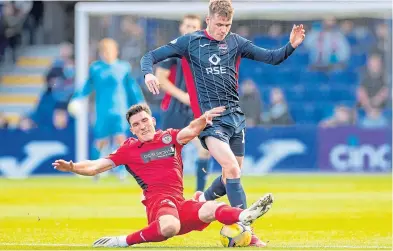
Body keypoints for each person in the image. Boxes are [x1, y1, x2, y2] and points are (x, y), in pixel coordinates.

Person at [140, 0, 305, 246]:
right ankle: (247, 233)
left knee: (230, 178)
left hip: (235, 118)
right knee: (233, 169)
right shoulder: (191, 42)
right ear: (208, 20)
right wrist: (148, 73)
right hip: (209, 121)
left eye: (227, 25)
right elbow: (150, 56)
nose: (223, 30)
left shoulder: (235, 42)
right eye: (219, 24)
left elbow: (272, 57)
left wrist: (290, 45)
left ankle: (202, 199)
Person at [53, 104, 274, 248]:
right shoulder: (128, 149)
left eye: (145, 121)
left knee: (210, 208)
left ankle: (244, 215)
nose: (142, 126)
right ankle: (121, 242)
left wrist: (203, 119)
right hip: (159, 204)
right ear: (131, 130)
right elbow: (95, 166)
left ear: (153, 121)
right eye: (136, 124)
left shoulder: (169, 138)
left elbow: (190, 130)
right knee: (169, 227)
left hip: (179, 203)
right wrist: (73, 167)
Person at [68, 38, 145, 181]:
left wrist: (140, 103)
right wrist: (77, 98)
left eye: (110, 50)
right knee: (100, 141)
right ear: (101, 53)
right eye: (104, 51)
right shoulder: (96, 68)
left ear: (116, 51)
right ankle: (94, 171)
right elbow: (87, 86)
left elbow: (132, 88)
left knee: (121, 140)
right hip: (102, 111)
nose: (107, 53)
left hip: (121, 110)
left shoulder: (124, 67)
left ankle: (121, 172)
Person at [156, 14, 210, 192]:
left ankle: (199, 195)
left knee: (204, 150)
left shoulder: (205, 51)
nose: (190, 29)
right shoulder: (172, 49)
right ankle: (159, 190)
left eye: (194, 26)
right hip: (175, 109)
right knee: (166, 155)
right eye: (187, 26)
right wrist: (183, 96)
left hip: (196, 110)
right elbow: (160, 79)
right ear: (181, 28)